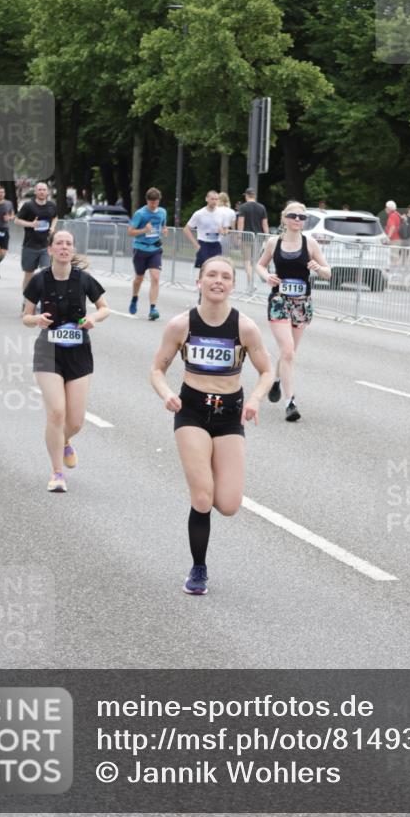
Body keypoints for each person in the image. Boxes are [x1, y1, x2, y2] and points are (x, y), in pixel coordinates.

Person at [150, 255, 273, 595]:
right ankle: (198, 569)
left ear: (232, 285)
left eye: (226, 277)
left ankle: (207, 479)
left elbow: (267, 370)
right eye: (212, 275)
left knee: (229, 505)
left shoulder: (245, 328)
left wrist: (255, 399)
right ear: (199, 281)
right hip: (191, 412)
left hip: (230, 415)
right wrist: (166, 394)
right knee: (203, 497)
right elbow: (157, 369)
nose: (218, 281)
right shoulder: (181, 325)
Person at [22, 230, 109, 492]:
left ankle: (64, 440)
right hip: (48, 351)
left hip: (79, 352)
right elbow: (26, 316)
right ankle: (57, 473)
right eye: (59, 243)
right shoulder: (39, 280)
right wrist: (36, 320)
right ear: (50, 250)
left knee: (75, 421)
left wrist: (93, 318)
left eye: (68, 244)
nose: (64, 247)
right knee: (57, 412)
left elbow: (104, 308)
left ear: (72, 250)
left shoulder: (83, 279)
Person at [255, 201, 331, 422]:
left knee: (289, 353)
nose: (297, 220)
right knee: (287, 351)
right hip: (279, 301)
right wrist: (266, 276)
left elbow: (328, 272)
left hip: (301, 304)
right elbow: (260, 265)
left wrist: (318, 268)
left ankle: (277, 380)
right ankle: (290, 402)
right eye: (293, 216)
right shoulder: (273, 243)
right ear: (284, 218)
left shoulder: (310, 244)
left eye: (302, 217)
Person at [127, 187, 168, 320]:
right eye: (151, 203)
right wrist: (144, 230)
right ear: (147, 201)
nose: (154, 205)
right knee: (139, 279)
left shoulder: (162, 212)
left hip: (155, 249)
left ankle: (153, 309)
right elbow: (130, 232)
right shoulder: (140, 214)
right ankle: (134, 298)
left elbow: (163, 225)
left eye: (156, 202)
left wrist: (164, 230)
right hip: (140, 249)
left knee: (155, 278)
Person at [15, 181, 58, 302]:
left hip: (45, 246)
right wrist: (31, 224)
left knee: (46, 273)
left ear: (47, 192)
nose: (42, 192)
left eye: (44, 190)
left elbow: (55, 217)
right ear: (35, 192)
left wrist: (52, 227)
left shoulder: (51, 205)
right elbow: (17, 221)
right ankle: (26, 301)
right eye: (39, 189)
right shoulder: (29, 205)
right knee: (29, 274)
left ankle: (42, 300)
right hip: (30, 245)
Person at [183, 190, 228, 269]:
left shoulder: (222, 213)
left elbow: (226, 230)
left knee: (217, 267)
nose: (214, 201)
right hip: (203, 243)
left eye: (216, 199)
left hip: (216, 244)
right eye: (212, 199)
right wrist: (196, 244)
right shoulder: (199, 213)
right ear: (206, 199)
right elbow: (186, 229)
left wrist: (223, 232)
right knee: (204, 268)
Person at [237, 187, 269, 285]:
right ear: (254, 196)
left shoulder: (243, 207)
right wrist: (267, 237)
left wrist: (239, 236)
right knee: (255, 261)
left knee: (247, 261)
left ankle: (251, 282)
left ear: (246, 196)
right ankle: (260, 279)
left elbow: (241, 222)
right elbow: (265, 224)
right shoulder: (262, 207)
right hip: (258, 238)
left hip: (246, 237)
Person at [0, 186, 15, 278]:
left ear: (4, 193)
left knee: (3, 254)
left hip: (5, 229)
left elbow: (13, 215)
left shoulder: (9, 203)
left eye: (2, 192)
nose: (0, 194)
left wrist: (9, 218)